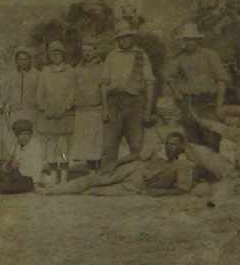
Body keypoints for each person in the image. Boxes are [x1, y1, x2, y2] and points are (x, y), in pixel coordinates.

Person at [41, 132, 197, 197]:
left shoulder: (184, 164)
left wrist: (158, 192)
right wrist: (116, 163)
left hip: (139, 186)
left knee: (96, 192)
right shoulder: (157, 149)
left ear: (181, 146)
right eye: (169, 143)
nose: (171, 147)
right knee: (94, 179)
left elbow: (181, 189)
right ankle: (53, 190)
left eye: (175, 144)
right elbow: (136, 155)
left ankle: (61, 191)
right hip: (133, 169)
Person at [165, 23, 229, 151]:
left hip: (208, 103)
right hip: (189, 104)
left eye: (192, 39)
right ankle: (199, 170)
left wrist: (219, 105)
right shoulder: (179, 58)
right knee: (194, 144)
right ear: (183, 41)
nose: (189, 42)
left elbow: (222, 80)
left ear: (198, 40)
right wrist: (176, 92)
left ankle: (212, 170)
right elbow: (169, 76)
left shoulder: (210, 55)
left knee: (212, 140)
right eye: (186, 39)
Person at [101, 21, 156, 165]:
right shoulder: (111, 56)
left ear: (132, 38)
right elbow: (104, 84)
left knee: (136, 145)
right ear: (117, 39)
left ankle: (134, 177)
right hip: (114, 104)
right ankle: (107, 178)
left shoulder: (141, 55)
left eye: (127, 37)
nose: (124, 40)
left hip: (135, 104)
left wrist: (148, 110)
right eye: (120, 37)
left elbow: (149, 83)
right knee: (109, 146)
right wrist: (105, 108)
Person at [36, 41, 76, 184]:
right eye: (53, 53)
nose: (56, 56)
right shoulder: (44, 72)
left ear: (63, 54)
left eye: (58, 53)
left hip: (64, 116)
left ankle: (64, 176)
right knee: (51, 147)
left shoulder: (71, 71)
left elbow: (73, 93)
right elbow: (39, 94)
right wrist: (46, 109)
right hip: (49, 116)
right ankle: (53, 176)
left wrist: (64, 109)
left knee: (64, 147)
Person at [71, 36, 104, 169]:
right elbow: (73, 88)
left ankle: (97, 170)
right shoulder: (77, 68)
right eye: (84, 51)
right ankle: (86, 171)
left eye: (90, 50)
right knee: (83, 143)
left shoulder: (102, 67)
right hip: (81, 110)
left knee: (96, 142)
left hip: (95, 110)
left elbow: (104, 88)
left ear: (95, 51)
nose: (87, 53)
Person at [1, 46, 40, 127]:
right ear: (16, 61)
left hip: (32, 112)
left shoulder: (37, 74)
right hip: (15, 113)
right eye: (20, 59)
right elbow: (5, 95)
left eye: (25, 59)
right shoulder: (10, 75)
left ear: (30, 60)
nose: (23, 62)